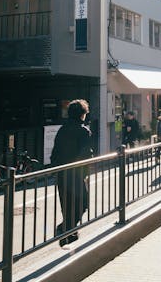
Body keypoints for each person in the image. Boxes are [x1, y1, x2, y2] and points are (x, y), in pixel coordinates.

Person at [51, 99, 93, 247]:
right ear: (82, 114)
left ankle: (68, 233)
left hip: (62, 173)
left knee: (67, 205)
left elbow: (54, 153)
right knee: (82, 204)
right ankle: (64, 230)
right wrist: (85, 172)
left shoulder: (62, 129)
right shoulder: (83, 131)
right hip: (76, 174)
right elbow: (86, 154)